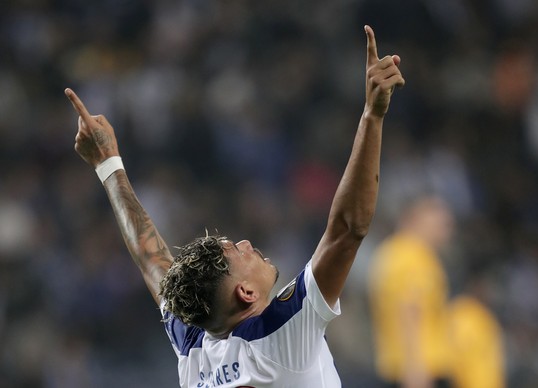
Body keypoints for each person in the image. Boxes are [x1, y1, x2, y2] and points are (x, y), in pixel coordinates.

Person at [65, 25, 405, 388]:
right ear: (246, 294)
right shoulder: (282, 335)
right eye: (236, 252)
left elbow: (152, 259)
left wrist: (109, 165)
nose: (246, 244)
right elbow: (347, 229)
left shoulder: (195, 351)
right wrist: (373, 114)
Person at [368, 195, 455, 388]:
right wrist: (415, 371)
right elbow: (408, 311)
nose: (446, 229)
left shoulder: (395, 252)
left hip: (403, 367)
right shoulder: (411, 255)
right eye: (439, 223)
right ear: (414, 219)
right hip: (420, 370)